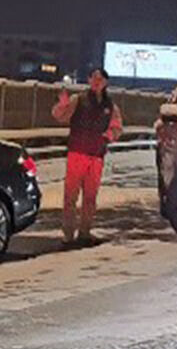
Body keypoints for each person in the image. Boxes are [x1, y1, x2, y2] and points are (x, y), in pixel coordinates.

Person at [52, 68, 123, 245]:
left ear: (106, 82)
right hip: (77, 153)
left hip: (96, 155)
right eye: (94, 78)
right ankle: (68, 233)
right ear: (89, 80)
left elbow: (117, 127)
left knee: (90, 196)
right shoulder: (79, 100)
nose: (97, 82)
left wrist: (110, 135)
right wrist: (62, 104)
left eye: (100, 79)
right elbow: (61, 116)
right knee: (71, 195)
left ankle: (85, 231)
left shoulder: (111, 106)